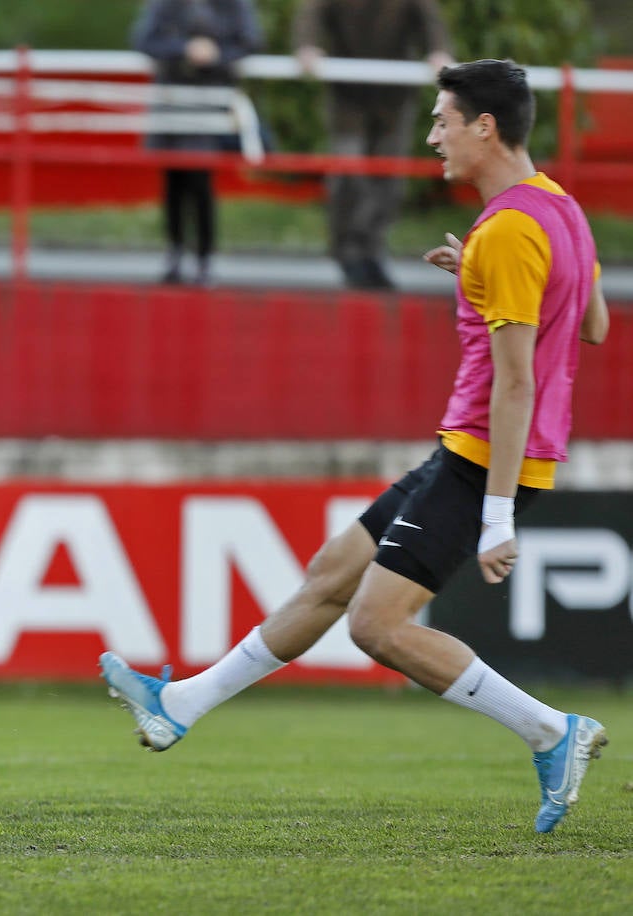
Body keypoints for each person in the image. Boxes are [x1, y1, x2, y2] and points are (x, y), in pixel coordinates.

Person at [100, 60, 611, 834]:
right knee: (330, 574)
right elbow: (594, 323)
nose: (432, 135)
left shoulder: (508, 229)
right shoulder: (556, 208)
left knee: (377, 626)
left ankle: (550, 731)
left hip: (484, 460)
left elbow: (517, 387)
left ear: (485, 127)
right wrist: (475, 273)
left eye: (443, 119)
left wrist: (499, 514)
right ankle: (181, 704)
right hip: (466, 452)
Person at [293, 0, 453, 290]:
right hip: (346, 93)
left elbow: (429, 19)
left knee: (389, 175)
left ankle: (371, 248)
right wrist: (306, 46)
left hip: (394, 96)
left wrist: (438, 52)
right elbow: (312, 12)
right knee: (348, 167)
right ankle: (347, 249)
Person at [131, 0, 263, 286]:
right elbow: (143, 40)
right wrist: (184, 50)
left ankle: (204, 257)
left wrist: (216, 55)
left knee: (200, 180)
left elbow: (250, 41)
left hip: (212, 102)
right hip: (171, 101)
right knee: (173, 180)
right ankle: (175, 251)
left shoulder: (235, 5)